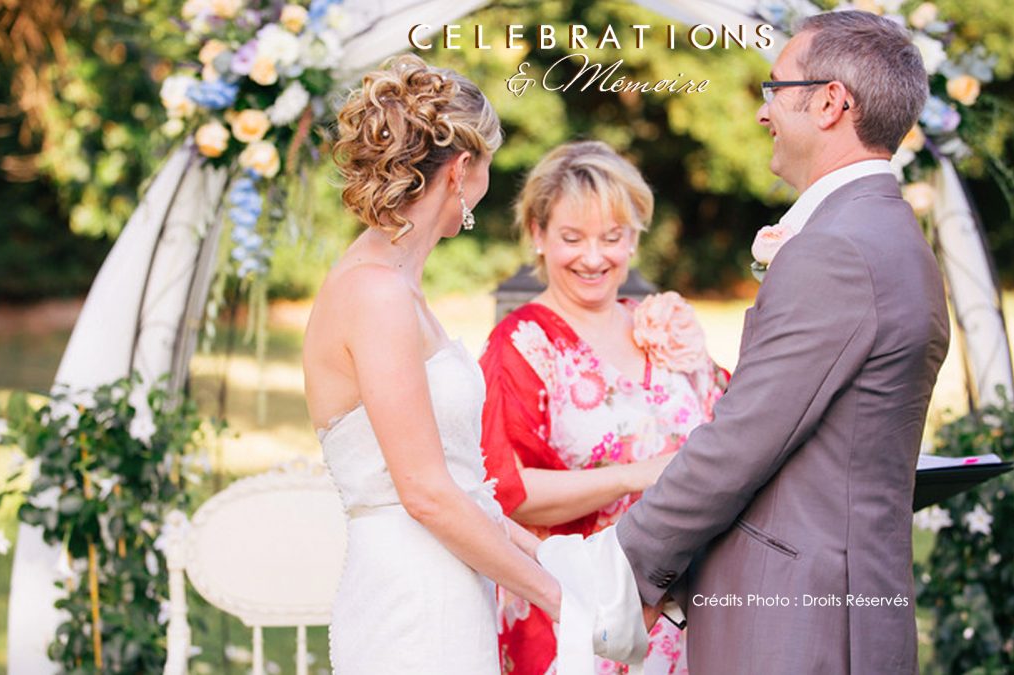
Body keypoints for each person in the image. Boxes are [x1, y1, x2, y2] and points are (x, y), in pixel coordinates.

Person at [609, 10, 950, 674]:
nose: (763, 111)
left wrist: (624, 565)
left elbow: (742, 442)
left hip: (797, 625)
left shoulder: (837, 250)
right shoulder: (894, 237)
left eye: (775, 88)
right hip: (851, 608)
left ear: (830, 102)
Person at [303, 54, 559, 674]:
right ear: (462, 171)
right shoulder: (375, 294)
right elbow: (424, 493)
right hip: (412, 597)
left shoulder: (396, 287)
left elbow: (460, 482)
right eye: (489, 166)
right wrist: (555, 598)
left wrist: (555, 559)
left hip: (444, 576)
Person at [479, 140, 729, 675]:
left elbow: (733, 431)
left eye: (612, 238)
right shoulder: (521, 345)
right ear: (538, 236)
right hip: (574, 614)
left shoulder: (659, 324)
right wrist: (635, 476)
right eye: (572, 238)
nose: (594, 258)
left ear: (634, 239)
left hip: (682, 614)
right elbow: (508, 494)